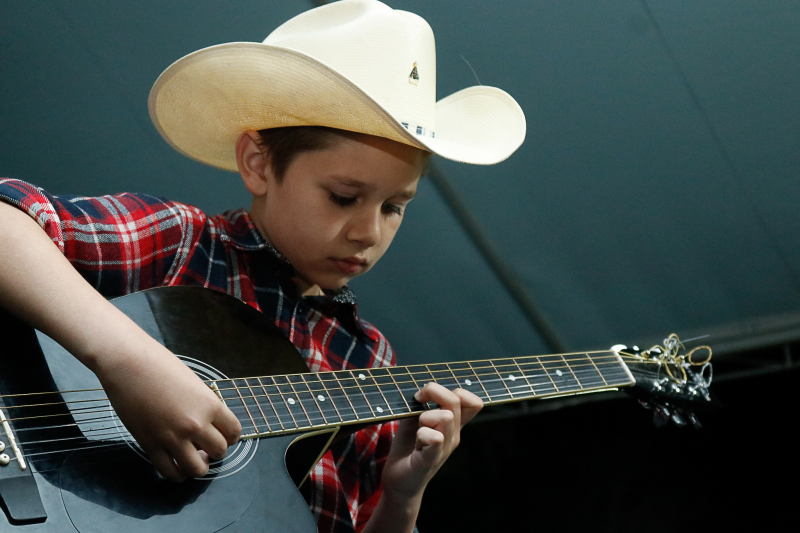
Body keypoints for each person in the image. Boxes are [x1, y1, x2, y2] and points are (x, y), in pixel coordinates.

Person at [0, 1, 525, 531]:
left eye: (394, 207)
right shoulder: (183, 241)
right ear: (258, 163)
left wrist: (403, 499)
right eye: (344, 196)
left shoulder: (370, 362)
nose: (369, 231)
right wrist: (129, 361)